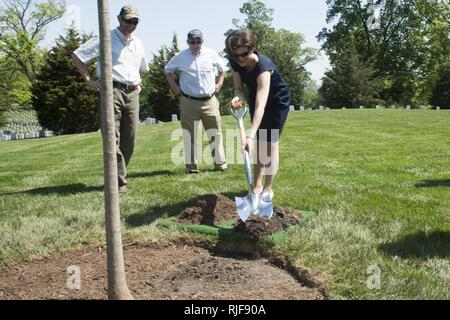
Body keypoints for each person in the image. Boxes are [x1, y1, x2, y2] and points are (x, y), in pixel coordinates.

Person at [72, 4, 149, 193]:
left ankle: (118, 176)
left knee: (130, 140)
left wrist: (138, 82)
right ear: (118, 19)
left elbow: (144, 69)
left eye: (134, 22)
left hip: (132, 94)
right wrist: (90, 80)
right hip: (111, 91)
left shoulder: (138, 43)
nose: (130, 25)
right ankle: (118, 182)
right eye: (127, 21)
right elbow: (77, 56)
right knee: (111, 137)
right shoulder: (104, 37)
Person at [225, 29, 292, 199]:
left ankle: (268, 188)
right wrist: (237, 98)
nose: (240, 59)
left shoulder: (263, 67)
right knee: (261, 142)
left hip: (277, 101)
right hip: (256, 96)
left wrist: (251, 135)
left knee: (270, 142)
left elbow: (261, 106)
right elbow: (239, 89)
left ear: (252, 48)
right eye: (235, 55)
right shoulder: (235, 63)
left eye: (244, 54)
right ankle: (257, 185)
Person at [165, 29, 227, 174]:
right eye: (192, 42)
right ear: (188, 42)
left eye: (198, 42)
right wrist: (175, 87)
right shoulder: (180, 56)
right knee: (189, 135)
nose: (196, 45)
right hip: (188, 101)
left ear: (202, 42)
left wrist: (220, 83)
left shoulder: (211, 54)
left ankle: (220, 165)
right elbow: (167, 70)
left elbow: (222, 69)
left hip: (209, 101)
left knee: (215, 134)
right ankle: (192, 168)